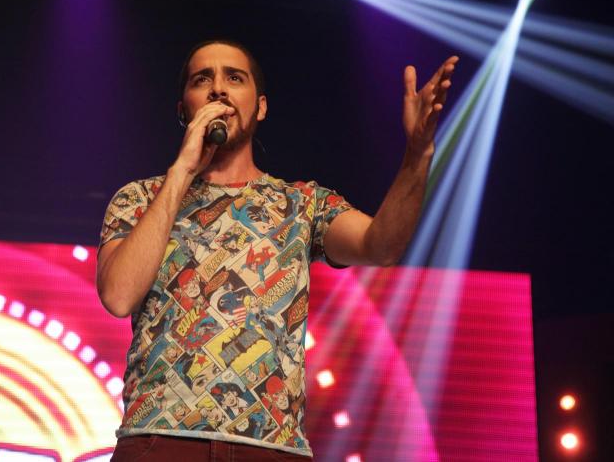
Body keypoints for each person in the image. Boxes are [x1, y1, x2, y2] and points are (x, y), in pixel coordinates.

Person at [97, 39, 458, 460]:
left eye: (234, 78)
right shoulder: (140, 198)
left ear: (261, 107)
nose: (218, 89)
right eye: (202, 80)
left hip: (271, 448)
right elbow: (118, 296)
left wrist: (418, 154)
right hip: (159, 440)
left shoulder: (303, 203)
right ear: (183, 110)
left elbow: (380, 246)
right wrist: (182, 170)